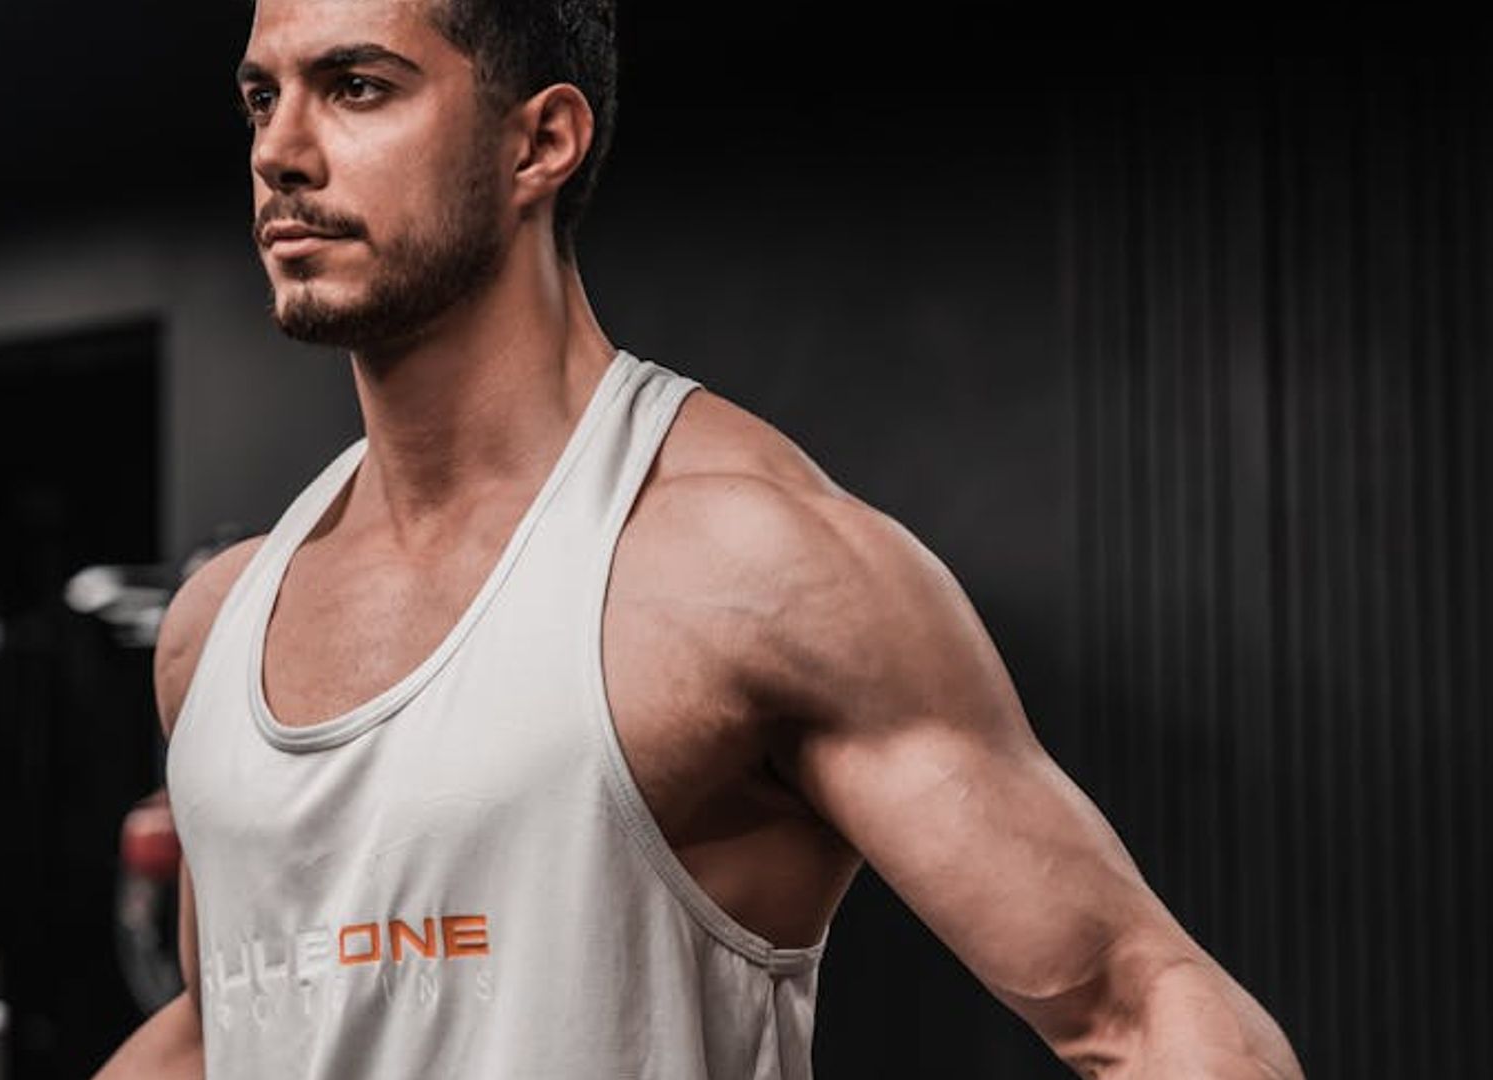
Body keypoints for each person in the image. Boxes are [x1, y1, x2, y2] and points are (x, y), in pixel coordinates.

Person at [95, 0, 1304, 1076]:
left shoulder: (742, 566)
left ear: (541, 142)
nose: (280, 153)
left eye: (358, 87)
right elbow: (231, 1022)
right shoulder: (217, 628)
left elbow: (1142, 1011)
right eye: (265, 95)